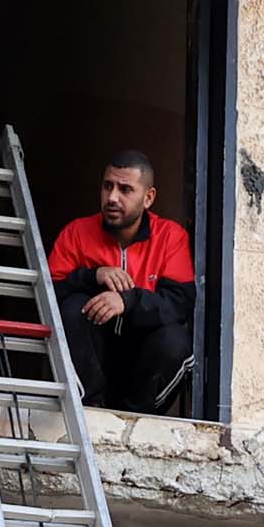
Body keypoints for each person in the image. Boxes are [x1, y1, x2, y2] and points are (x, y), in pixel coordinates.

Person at [46, 152, 196, 417]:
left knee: (175, 340)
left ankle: (134, 421)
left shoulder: (170, 237)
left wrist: (127, 301)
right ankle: (91, 409)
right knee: (72, 307)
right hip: (90, 366)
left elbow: (179, 304)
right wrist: (92, 277)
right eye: (108, 186)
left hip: (141, 372)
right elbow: (47, 297)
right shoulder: (77, 232)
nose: (112, 197)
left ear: (148, 198)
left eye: (125, 189)